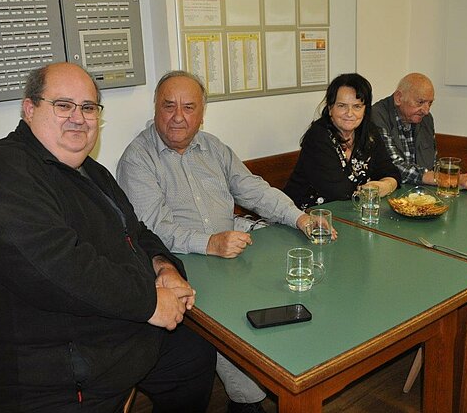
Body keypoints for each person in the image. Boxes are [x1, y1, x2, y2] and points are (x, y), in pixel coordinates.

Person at [0, 63, 216, 413]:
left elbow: (135, 231)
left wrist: (163, 267)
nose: (78, 118)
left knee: (194, 352)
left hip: (104, 331)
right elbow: (60, 270)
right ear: (29, 109)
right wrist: (150, 303)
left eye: (88, 107)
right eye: (63, 105)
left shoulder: (90, 171)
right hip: (45, 372)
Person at [116, 70, 321, 413]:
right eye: (168, 105)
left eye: (189, 107)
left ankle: (289, 375)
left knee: (289, 289)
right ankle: (248, 401)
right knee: (235, 324)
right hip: (179, 266)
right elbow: (152, 230)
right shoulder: (138, 158)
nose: (178, 116)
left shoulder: (213, 147)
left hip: (231, 257)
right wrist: (209, 243)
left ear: (201, 113)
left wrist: (298, 217)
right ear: (155, 108)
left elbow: (253, 189)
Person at [284, 73, 401, 208]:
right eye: (342, 106)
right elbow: (339, 192)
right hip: (308, 214)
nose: (349, 113)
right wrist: (372, 189)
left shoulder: (369, 132)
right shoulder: (318, 137)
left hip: (350, 211)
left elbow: (391, 171)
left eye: (357, 106)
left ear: (365, 110)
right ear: (330, 108)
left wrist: (387, 185)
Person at [371, 72, 467, 191]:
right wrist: (448, 178)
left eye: (430, 103)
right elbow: (394, 167)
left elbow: (434, 164)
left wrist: (455, 178)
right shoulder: (376, 116)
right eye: (420, 102)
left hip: (420, 194)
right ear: (399, 98)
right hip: (388, 193)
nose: (426, 111)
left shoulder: (426, 119)